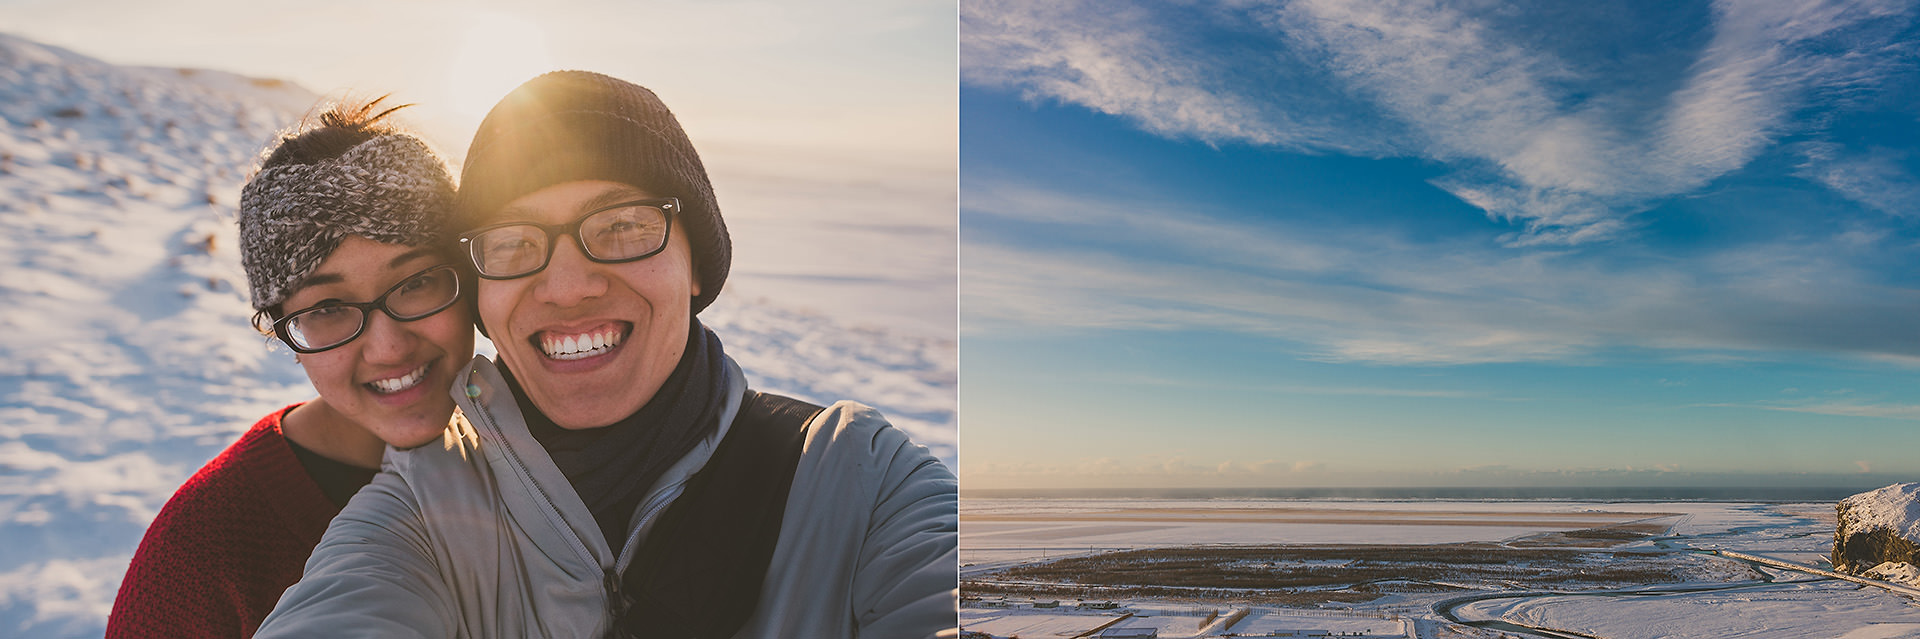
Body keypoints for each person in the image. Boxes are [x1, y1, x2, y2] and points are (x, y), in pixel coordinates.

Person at [258, 71, 958, 638]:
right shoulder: (420, 515)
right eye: (512, 242)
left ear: (695, 267)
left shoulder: (861, 483)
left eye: (623, 225)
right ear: (482, 293)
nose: (566, 287)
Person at [105, 100, 470, 638]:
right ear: (283, 332)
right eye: (326, 309)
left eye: (416, 283)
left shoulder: (532, 458)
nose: (389, 347)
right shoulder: (205, 553)